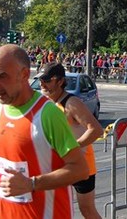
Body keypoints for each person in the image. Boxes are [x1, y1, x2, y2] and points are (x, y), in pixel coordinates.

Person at [0, 44, 89, 218]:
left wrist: (32, 184)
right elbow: (21, 164)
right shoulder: (0, 106)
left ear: (24, 74)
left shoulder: (48, 114)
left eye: (2, 76)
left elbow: (80, 170)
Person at [38, 62, 104, 219]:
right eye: (41, 80)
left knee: (86, 209)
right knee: (54, 207)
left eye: (47, 80)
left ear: (60, 81)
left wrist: (73, 148)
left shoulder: (72, 103)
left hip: (81, 163)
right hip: (58, 165)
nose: (42, 84)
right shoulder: (46, 103)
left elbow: (96, 130)